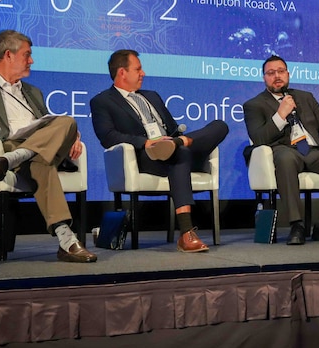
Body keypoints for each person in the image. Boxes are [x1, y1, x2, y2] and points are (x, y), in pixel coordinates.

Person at [0, 29, 97, 263]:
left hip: (17, 157)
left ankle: (16, 157)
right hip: (1, 148)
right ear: (8, 55)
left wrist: (72, 137)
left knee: (68, 123)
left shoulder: (34, 92)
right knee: (41, 160)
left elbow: (51, 127)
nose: (32, 60)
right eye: (27, 54)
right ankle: (67, 240)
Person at [90, 49, 229, 253]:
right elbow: (108, 136)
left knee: (220, 125)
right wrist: (146, 143)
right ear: (122, 72)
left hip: (175, 148)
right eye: (138, 69)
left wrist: (175, 139)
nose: (143, 73)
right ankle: (186, 232)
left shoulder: (152, 96)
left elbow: (170, 127)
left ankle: (180, 143)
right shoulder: (102, 101)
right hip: (149, 157)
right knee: (177, 154)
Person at [243, 55, 319, 245]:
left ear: (287, 74)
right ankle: (297, 225)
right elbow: (259, 139)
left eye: (280, 71)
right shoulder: (254, 105)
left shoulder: (305, 97)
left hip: (312, 150)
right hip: (284, 150)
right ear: (264, 78)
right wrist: (280, 114)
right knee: (286, 160)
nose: (276, 76)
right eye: (271, 73)